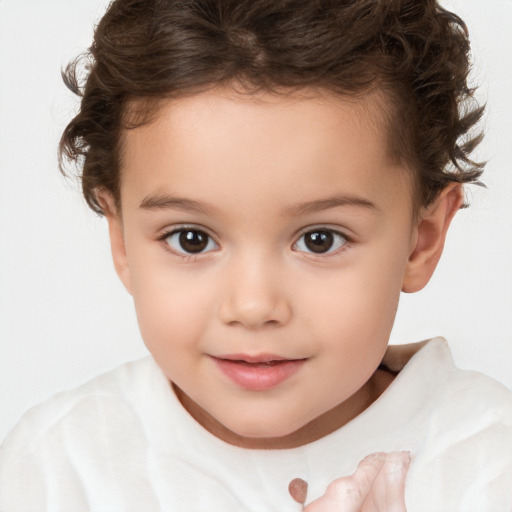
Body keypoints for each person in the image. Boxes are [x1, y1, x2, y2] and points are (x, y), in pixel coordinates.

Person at [0, 0, 511, 510]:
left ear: (421, 240)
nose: (253, 306)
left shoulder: (486, 464)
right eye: (191, 239)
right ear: (122, 241)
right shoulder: (61, 467)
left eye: (320, 239)